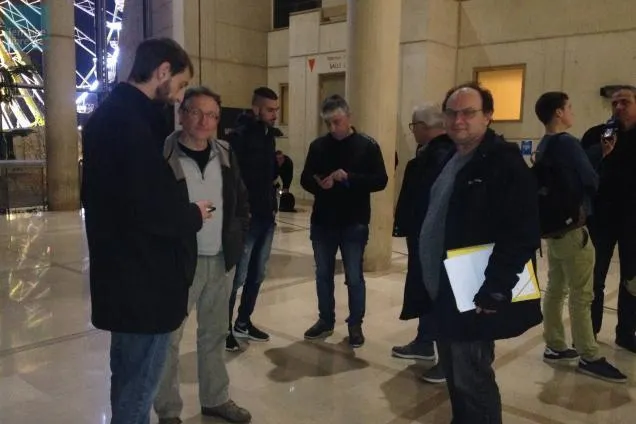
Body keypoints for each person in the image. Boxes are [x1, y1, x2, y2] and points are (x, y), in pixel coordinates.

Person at [81, 38, 211, 424]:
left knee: (126, 378)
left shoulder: (110, 116)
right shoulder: (132, 124)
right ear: (162, 71)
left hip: (122, 278)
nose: (180, 96)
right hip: (143, 283)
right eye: (181, 85)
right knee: (138, 391)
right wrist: (193, 214)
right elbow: (148, 209)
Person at [405, 82, 543, 423]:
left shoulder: (503, 163)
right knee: (455, 375)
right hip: (445, 291)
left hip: (474, 293)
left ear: (488, 116)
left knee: (472, 378)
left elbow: (522, 233)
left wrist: (495, 288)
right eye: (452, 113)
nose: (459, 120)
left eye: (469, 112)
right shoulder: (450, 158)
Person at [153, 87, 252, 423]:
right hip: (179, 263)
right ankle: (168, 411)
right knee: (168, 339)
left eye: (212, 115)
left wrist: (238, 236)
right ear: (182, 114)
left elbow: (240, 199)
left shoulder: (225, 153)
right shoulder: (163, 155)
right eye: (196, 112)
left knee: (215, 333)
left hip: (221, 259)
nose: (204, 121)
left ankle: (215, 398)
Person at [534, 91, 626, 383]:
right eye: (569, 107)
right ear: (559, 113)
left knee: (556, 288)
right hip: (574, 230)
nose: (572, 112)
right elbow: (590, 179)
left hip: (554, 230)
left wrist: (598, 154)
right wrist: (602, 160)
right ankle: (589, 355)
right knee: (582, 294)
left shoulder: (545, 144)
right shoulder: (568, 143)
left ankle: (555, 344)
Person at [300, 94, 388, 348]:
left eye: (337, 122)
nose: (332, 128)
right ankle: (325, 320)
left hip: (354, 221)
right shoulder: (318, 146)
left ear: (349, 117)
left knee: (354, 276)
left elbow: (380, 180)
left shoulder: (367, 145)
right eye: (328, 123)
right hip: (323, 221)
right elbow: (305, 177)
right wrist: (318, 183)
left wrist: (349, 177)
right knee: (323, 274)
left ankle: (355, 324)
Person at [393, 103, 452, 384]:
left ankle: (447, 362)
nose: (412, 131)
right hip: (423, 236)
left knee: (438, 295)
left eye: (413, 126)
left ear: (425, 127)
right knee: (426, 290)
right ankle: (425, 341)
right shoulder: (430, 153)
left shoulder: (442, 155)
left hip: (434, 239)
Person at [582, 86, 636, 354]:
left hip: (633, 220)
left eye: (625, 102)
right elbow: (581, 170)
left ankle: (626, 332)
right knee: (595, 277)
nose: (619, 107)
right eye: (615, 103)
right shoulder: (597, 134)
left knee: (631, 279)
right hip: (601, 218)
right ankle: (589, 331)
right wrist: (600, 151)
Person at [226, 87, 280, 351]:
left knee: (257, 274)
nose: (274, 115)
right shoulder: (239, 137)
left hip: (266, 216)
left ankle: (243, 322)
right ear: (256, 108)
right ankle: (224, 328)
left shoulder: (269, 137)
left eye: (276, 110)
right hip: (247, 219)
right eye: (270, 110)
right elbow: (234, 179)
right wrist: (241, 211)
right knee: (238, 276)